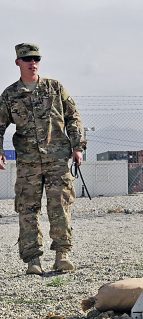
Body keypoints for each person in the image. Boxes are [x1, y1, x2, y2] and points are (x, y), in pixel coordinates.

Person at [0, 43, 86, 275]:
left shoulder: (55, 88)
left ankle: (62, 255)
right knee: (27, 210)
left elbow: (73, 117)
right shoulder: (10, 95)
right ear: (18, 62)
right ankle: (33, 261)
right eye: (27, 59)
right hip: (28, 162)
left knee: (60, 207)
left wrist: (78, 146)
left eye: (36, 58)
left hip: (57, 160)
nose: (32, 62)